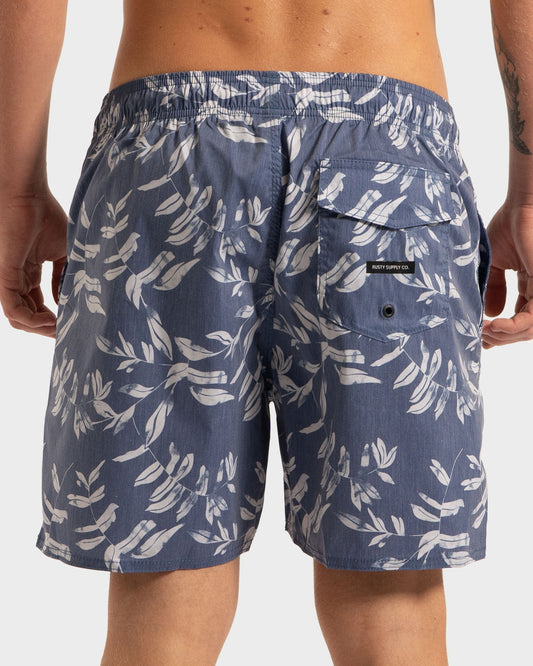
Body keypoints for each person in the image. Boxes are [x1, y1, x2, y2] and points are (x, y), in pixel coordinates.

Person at [1, 1, 532, 664]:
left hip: (170, 157)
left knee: (162, 601)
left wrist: (15, 194)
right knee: (392, 604)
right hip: (387, 171)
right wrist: (529, 196)